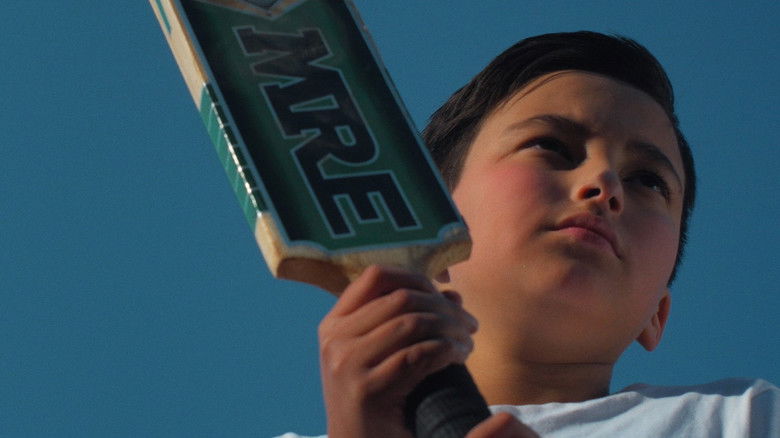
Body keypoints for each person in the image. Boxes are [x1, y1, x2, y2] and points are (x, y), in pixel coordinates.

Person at [281, 31, 779, 437]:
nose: (604, 183)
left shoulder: (743, 418)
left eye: (648, 181)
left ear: (657, 314)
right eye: (552, 146)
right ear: (428, 228)